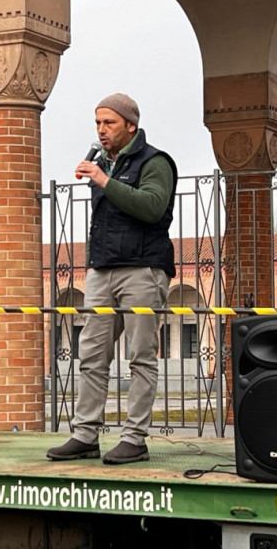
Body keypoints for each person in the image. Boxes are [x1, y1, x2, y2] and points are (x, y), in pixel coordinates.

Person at [46, 93, 178, 465]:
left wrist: (105, 180)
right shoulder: (102, 162)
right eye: (98, 124)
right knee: (91, 354)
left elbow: (152, 207)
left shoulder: (156, 162)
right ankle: (85, 434)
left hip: (142, 269)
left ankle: (134, 438)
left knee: (140, 357)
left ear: (130, 126)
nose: (101, 131)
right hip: (102, 270)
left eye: (109, 123)